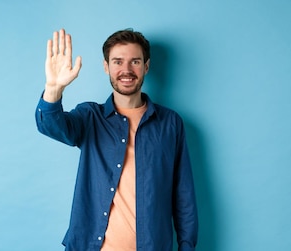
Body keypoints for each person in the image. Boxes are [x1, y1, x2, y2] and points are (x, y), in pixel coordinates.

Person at [35, 29, 198, 251]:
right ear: (106, 67)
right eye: (118, 61)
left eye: (135, 62)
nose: (126, 70)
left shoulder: (170, 123)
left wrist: (186, 247)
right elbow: (50, 126)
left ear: (146, 67)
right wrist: (53, 90)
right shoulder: (90, 117)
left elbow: (184, 196)